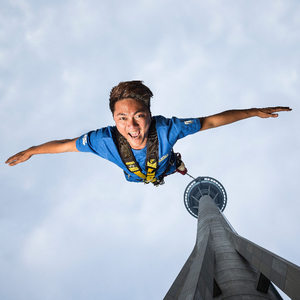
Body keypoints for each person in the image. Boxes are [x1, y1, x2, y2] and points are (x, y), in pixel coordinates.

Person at [5, 81, 291, 186]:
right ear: (113, 120)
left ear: (150, 115)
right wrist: (31, 151)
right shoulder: (103, 140)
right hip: (138, 175)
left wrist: (253, 111)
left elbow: (212, 121)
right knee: (158, 172)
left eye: (139, 116)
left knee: (170, 166)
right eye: (123, 118)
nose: (132, 126)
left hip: (162, 165)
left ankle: (175, 165)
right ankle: (170, 168)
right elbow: (65, 145)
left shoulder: (168, 129)